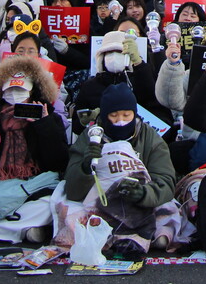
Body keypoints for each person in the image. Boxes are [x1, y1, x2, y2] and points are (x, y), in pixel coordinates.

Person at [62, 83, 183, 259]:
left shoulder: (150, 138)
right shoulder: (90, 137)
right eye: (114, 116)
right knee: (64, 203)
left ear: (135, 114)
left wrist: (143, 193)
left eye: (127, 115)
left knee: (169, 208)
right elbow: (72, 189)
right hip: (99, 202)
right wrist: (86, 168)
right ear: (104, 116)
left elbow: (165, 181)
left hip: (140, 204)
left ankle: (152, 235)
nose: (121, 121)